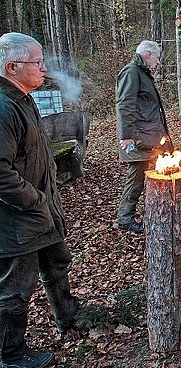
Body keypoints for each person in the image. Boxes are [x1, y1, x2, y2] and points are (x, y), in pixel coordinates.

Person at [0, 32, 79, 368]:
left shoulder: (24, 97)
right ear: (12, 66)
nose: (44, 68)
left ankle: (69, 317)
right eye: (37, 62)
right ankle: (11, 355)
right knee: (14, 291)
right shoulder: (4, 108)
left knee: (56, 263)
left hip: (40, 211)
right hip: (17, 219)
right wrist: (34, 200)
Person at [116, 40, 171, 233]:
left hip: (149, 135)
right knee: (136, 178)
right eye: (157, 57)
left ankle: (156, 211)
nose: (158, 62)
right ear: (148, 54)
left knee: (148, 175)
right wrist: (126, 136)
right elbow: (125, 104)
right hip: (138, 138)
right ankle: (125, 219)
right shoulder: (132, 72)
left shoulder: (142, 73)